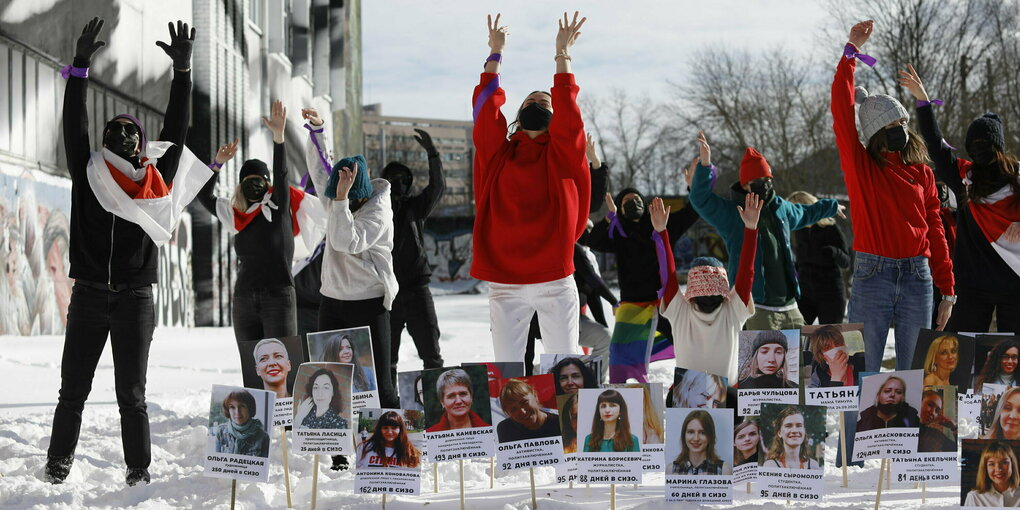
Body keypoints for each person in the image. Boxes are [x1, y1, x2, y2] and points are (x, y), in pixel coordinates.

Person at [46, 18, 204, 486]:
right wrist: (78, 70)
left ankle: (139, 473)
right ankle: (57, 465)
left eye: (130, 130)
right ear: (105, 141)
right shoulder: (89, 171)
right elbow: (74, 125)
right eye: (115, 129)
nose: (122, 134)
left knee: (131, 395)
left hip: (135, 299)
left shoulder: (155, 185)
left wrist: (183, 75)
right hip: (90, 297)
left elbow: (176, 128)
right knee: (72, 391)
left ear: (140, 146)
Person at [832, 20, 955, 375]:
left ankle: (911, 434)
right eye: (889, 128)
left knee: (915, 374)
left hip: (919, 278)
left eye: (901, 123)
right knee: (861, 373)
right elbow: (842, 113)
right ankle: (857, 433)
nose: (899, 131)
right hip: (873, 276)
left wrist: (947, 289)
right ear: (875, 137)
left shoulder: (923, 173)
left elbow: (937, 230)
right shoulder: (862, 168)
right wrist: (850, 54)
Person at [471, 12, 591, 363]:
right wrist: (494, 55)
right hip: (504, 282)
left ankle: (562, 419)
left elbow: (570, 115)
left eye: (545, 103)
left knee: (564, 370)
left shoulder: (564, 156)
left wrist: (562, 56)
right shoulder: (499, 155)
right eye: (530, 103)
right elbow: (484, 114)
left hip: (554, 277)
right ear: (518, 114)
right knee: (508, 371)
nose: (537, 105)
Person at [900, 64, 1020, 336]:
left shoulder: (1014, 179)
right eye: (974, 143)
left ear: (998, 147)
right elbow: (936, 144)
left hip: (1013, 283)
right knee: (960, 359)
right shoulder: (964, 178)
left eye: (983, 144)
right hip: (973, 286)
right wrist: (923, 101)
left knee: (1010, 364)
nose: (978, 149)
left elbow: (936, 145)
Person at [688, 132, 843, 331]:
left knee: (799, 360)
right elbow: (701, 200)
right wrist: (705, 165)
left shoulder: (782, 208)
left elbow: (806, 212)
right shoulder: (733, 213)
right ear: (745, 185)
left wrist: (832, 207)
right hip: (755, 304)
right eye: (758, 180)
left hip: (789, 304)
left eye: (767, 178)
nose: (765, 184)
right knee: (762, 360)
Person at [196, 101, 323, 344]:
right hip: (244, 298)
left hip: (279, 296)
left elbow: (282, 173)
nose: (255, 184)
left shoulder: (279, 206)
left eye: (260, 180)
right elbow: (204, 196)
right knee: (253, 366)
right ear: (241, 185)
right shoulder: (234, 214)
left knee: (283, 366)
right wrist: (217, 164)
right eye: (249, 180)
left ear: (269, 184)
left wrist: (278, 137)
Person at [301, 107, 398, 410]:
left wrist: (341, 200)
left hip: (368, 302)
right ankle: (337, 454)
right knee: (328, 379)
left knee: (378, 384)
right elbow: (319, 168)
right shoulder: (337, 196)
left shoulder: (378, 211)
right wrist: (318, 129)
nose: (334, 199)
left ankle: (388, 448)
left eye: (342, 195)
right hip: (332, 299)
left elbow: (346, 241)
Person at [653, 140, 763, 384]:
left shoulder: (680, 311)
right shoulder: (733, 311)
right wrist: (751, 229)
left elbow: (667, 276)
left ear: (692, 289)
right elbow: (747, 274)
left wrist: (662, 233)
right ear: (723, 287)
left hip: (687, 402)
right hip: (728, 403)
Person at [383, 128, 445, 383]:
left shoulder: (414, 208)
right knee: (386, 360)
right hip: (387, 293)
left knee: (432, 356)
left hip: (418, 291)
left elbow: (437, 188)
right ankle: (388, 409)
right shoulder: (375, 210)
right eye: (393, 178)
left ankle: (437, 406)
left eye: (402, 178)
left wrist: (433, 154)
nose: (398, 182)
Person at [786, 191, 850, 325]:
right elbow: (800, 262)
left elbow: (846, 262)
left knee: (829, 339)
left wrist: (833, 252)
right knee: (794, 335)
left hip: (830, 293)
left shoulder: (830, 228)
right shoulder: (799, 230)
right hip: (805, 293)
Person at [496, 379, 560, 442]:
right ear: (507, 412)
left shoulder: (559, 423)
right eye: (513, 409)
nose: (522, 412)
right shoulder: (505, 429)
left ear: (535, 396)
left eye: (524, 402)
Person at [213, 390, 270, 457]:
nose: (237, 412)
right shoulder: (221, 432)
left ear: (250, 408)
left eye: (242, 406)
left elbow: (264, 466)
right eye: (232, 407)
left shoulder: (263, 437)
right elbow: (217, 463)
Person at [671, 410, 730, 475]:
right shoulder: (671, 469)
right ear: (684, 435)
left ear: (710, 436)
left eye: (702, 433)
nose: (696, 438)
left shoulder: (724, 470)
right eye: (691, 432)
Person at [356, 411, 422, 469]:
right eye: (385, 428)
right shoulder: (364, 448)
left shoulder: (410, 452)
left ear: (400, 429)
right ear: (380, 429)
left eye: (394, 428)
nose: (389, 431)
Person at [964, 441, 1020, 507]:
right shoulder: (974, 497)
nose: (998, 469)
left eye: (1004, 462)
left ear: (1012, 464)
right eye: (991, 464)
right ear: (985, 468)